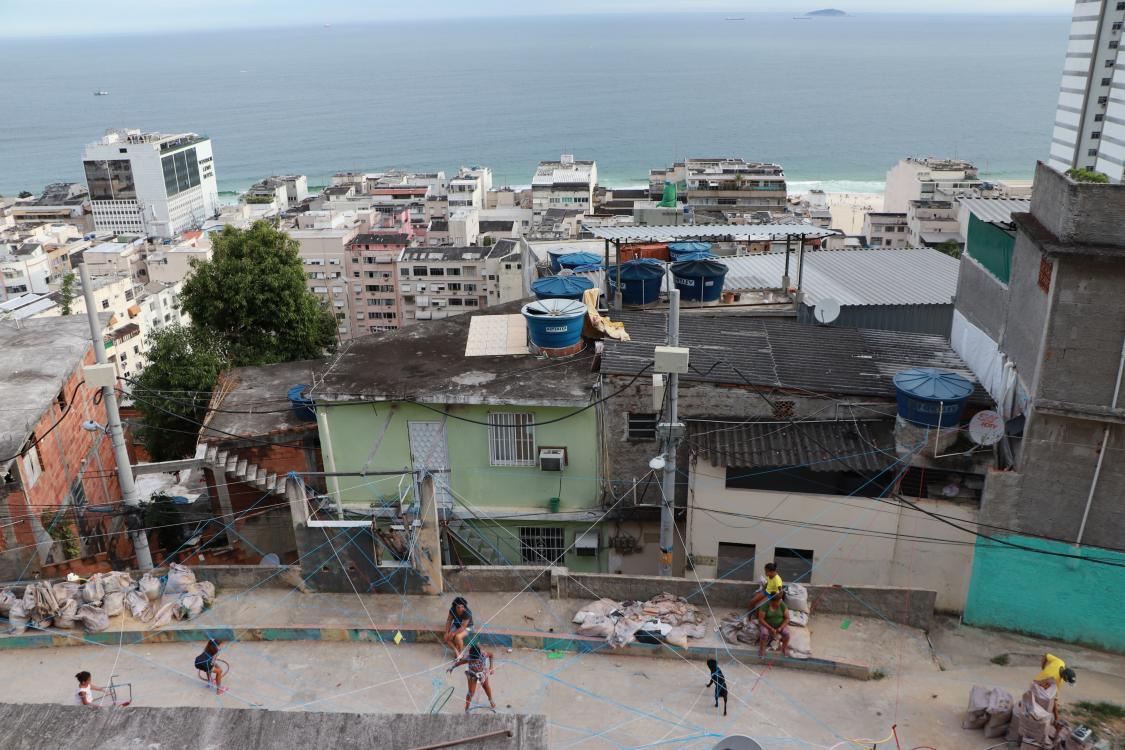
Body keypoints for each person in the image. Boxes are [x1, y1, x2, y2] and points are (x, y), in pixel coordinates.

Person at [448, 642, 496, 712]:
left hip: (482, 673)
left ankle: (490, 699)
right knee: (470, 692)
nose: (474, 661)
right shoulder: (468, 658)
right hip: (472, 675)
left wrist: (491, 667)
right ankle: (467, 707)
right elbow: (459, 663)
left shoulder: (484, 654)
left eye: (476, 659)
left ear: (479, 655)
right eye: (473, 660)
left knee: (486, 687)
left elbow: (491, 655)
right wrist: (452, 667)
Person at [1033, 652, 1076, 719]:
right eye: (1067, 681)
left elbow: (1046, 655)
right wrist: (1056, 717)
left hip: (1042, 682)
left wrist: (1043, 667)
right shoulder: (1054, 680)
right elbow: (1053, 700)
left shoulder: (1060, 663)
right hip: (1037, 685)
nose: (1066, 682)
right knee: (1036, 708)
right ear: (1065, 677)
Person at [756, 593, 790, 658]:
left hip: (780, 625)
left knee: (787, 634)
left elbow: (787, 618)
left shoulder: (782, 605)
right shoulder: (765, 606)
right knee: (764, 634)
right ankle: (762, 649)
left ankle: (784, 648)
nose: (778, 603)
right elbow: (761, 619)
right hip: (766, 624)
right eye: (776, 602)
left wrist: (780, 628)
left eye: (779, 601)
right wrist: (770, 628)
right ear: (771, 601)